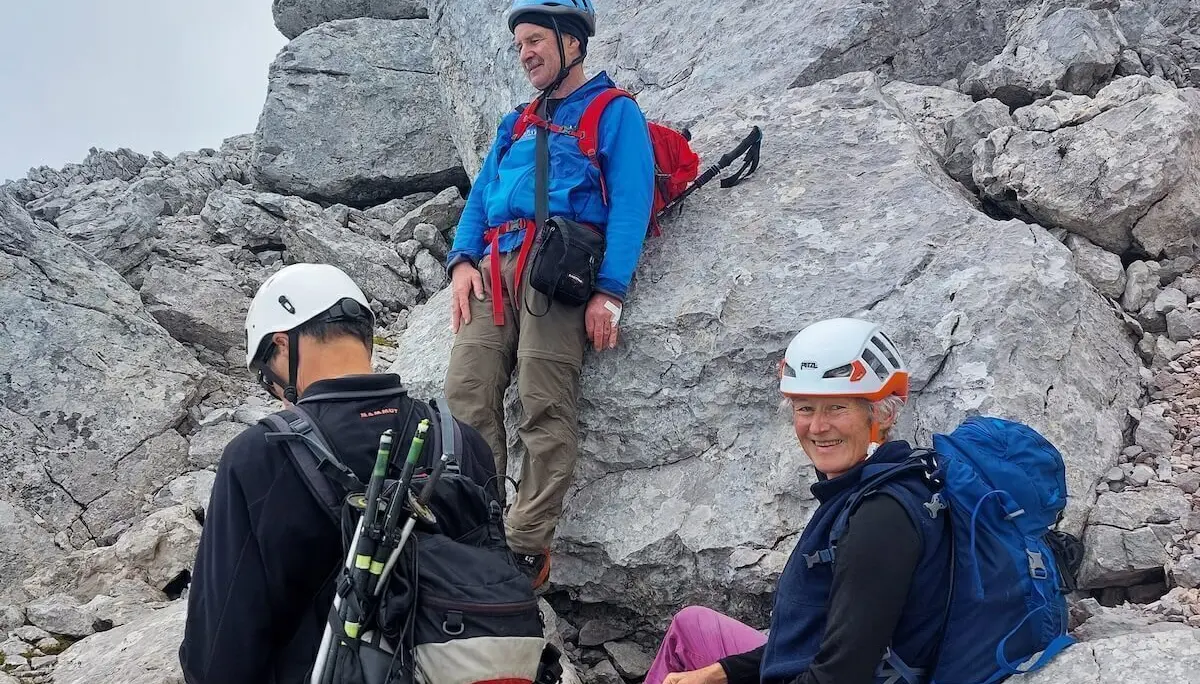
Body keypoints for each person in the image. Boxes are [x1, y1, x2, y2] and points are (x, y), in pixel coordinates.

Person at [179, 263, 498, 684]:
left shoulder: (258, 458)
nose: (274, 392)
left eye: (266, 377)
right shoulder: (461, 440)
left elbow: (219, 656)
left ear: (282, 344)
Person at [443, 0, 655, 589]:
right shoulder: (515, 121)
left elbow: (631, 204)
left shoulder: (614, 112)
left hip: (557, 270)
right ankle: (477, 529)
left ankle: (524, 547)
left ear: (573, 43)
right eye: (519, 45)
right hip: (495, 264)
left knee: (543, 402)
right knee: (465, 395)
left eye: (535, 39)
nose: (526, 53)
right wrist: (461, 261)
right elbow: (482, 195)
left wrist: (609, 291)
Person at [644, 317, 952, 684]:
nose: (817, 427)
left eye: (837, 408)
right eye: (805, 408)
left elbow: (840, 675)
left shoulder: (879, 520)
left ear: (880, 415)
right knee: (690, 625)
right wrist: (720, 673)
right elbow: (819, 636)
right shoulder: (882, 481)